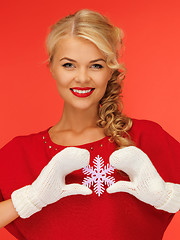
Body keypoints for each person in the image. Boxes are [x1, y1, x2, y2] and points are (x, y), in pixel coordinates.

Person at [0, 8, 180, 240]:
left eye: (96, 65)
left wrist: (167, 195)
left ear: (110, 70)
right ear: (52, 67)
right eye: (69, 65)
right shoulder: (19, 153)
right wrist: (30, 198)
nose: (82, 78)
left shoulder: (146, 137)